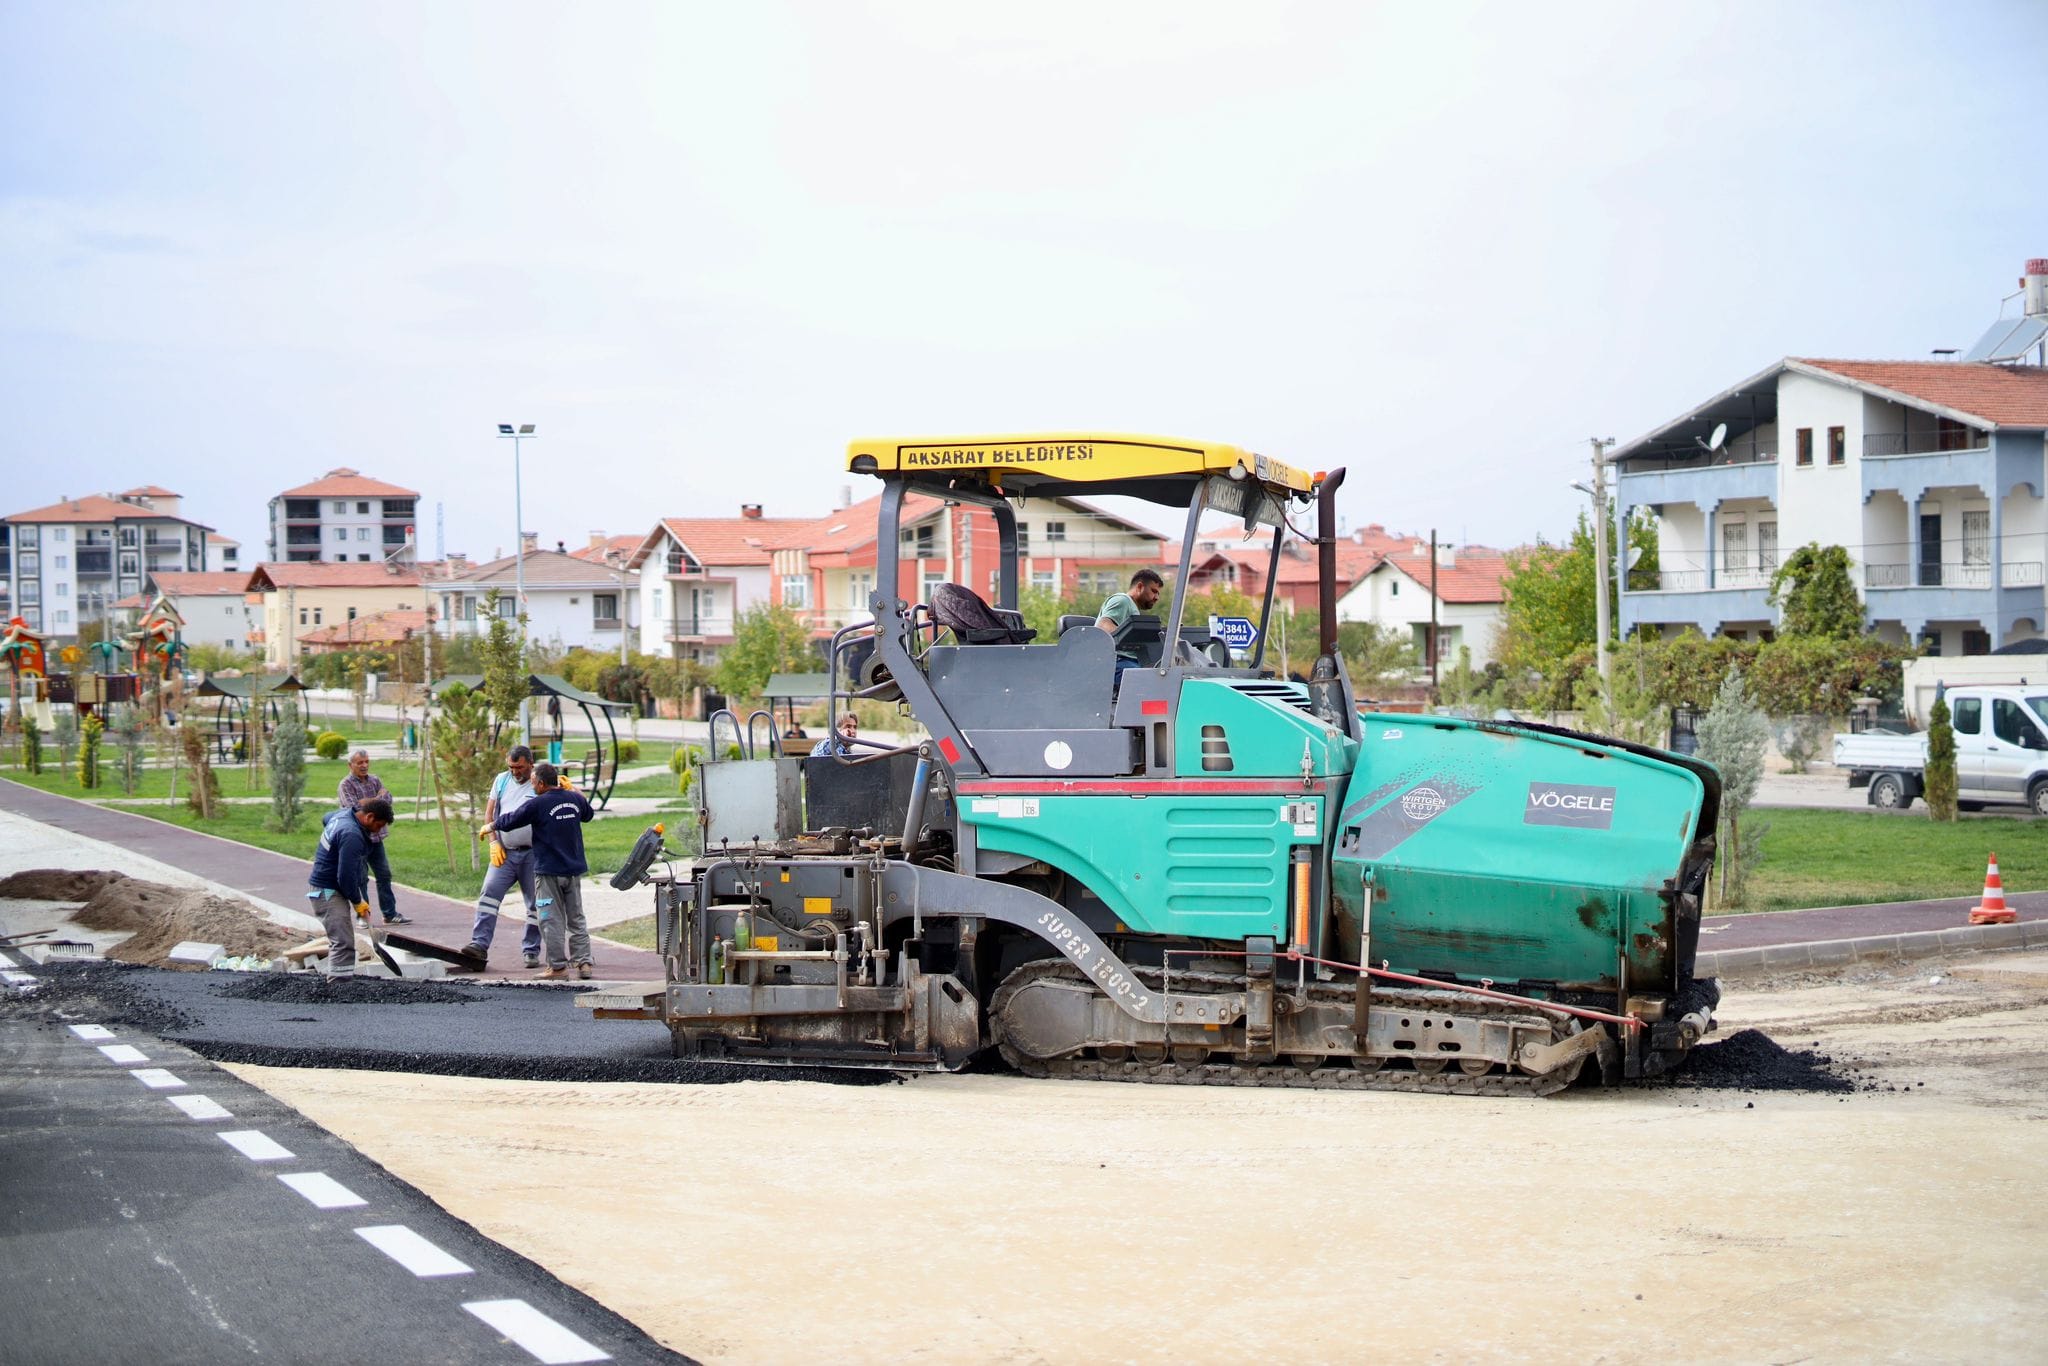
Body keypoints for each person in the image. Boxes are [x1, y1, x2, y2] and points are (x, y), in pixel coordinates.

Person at [493, 762, 595, 980]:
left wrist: (492, 826)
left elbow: (511, 820)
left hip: (548, 872)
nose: (531, 786)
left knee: (549, 919)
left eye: (532, 782)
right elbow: (588, 814)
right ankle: (584, 962)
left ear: (540, 783)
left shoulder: (538, 804)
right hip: (573, 871)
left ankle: (557, 967)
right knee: (576, 917)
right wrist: (574, 789)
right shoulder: (574, 799)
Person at [461, 745, 546, 969]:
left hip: (532, 853)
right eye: (511, 767)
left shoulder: (538, 782)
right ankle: (479, 944)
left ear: (530, 764)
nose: (515, 772)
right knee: (489, 894)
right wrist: (493, 841)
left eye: (519, 767)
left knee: (535, 903)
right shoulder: (502, 780)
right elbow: (490, 813)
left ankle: (531, 950)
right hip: (505, 853)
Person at [307, 798, 394, 976]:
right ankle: (339, 987)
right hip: (327, 891)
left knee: (342, 939)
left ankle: (341, 984)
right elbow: (345, 877)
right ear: (369, 817)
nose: (379, 830)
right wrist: (357, 901)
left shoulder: (342, 815)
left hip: (329, 886)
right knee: (343, 941)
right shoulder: (352, 835)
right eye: (379, 825)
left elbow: (326, 817)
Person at [337, 749, 409, 924]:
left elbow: (388, 799)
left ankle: (389, 914)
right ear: (350, 765)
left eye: (366, 762)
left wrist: (368, 802)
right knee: (361, 877)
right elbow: (354, 808)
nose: (364, 765)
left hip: (376, 838)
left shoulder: (375, 779)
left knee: (384, 874)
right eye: (360, 762)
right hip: (358, 839)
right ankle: (363, 915)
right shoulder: (345, 785)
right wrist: (376, 799)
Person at [1095, 567, 1165, 681]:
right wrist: (1136, 639)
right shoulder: (1122, 600)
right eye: (1154, 591)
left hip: (1132, 662)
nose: (1157, 597)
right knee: (1148, 682)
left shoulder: (1133, 608)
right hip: (1117, 662)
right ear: (1140, 586)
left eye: (1158, 593)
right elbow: (1103, 627)